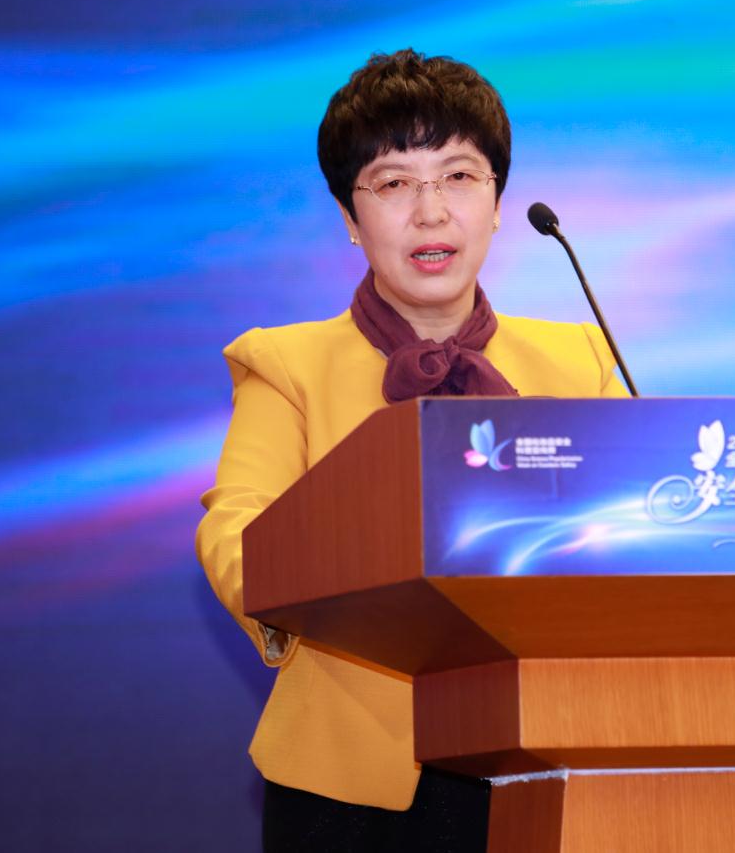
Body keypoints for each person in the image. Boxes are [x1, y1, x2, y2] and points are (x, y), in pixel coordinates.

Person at [195, 49, 629, 851]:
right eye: (393, 184)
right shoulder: (286, 364)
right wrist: (337, 595)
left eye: (458, 177)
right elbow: (236, 532)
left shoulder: (583, 360)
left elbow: (644, 533)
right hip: (351, 781)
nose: (431, 213)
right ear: (349, 219)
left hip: (553, 754)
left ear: (496, 203)